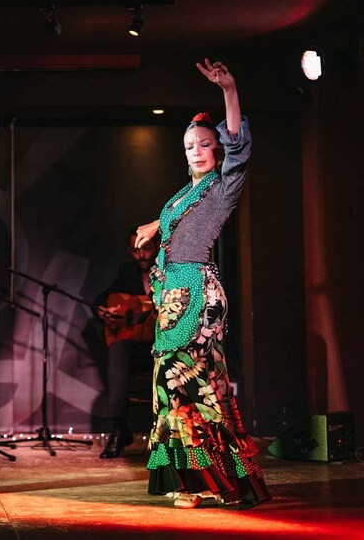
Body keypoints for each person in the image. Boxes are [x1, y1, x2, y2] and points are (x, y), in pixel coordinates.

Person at [134, 59, 271, 509]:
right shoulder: (183, 192)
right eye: (190, 144)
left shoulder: (223, 185)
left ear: (217, 151)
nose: (196, 150)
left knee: (195, 383)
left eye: (205, 144)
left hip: (197, 295)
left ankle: (226, 482)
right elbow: (180, 216)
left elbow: (238, 147)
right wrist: (156, 223)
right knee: (171, 385)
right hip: (173, 296)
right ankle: (192, 481)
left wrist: (229, 91)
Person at [94, 229, 159, 459]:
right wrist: (103, 312)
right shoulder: (127, 277)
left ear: (157, 246)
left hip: (164, 348)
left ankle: (165, 437)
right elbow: (102, 299)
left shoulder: (168, 274)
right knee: (118, 349)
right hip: (140, 350)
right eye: (135, 250)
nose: (141, 255)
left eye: (146, 248)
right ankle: (119, 429)